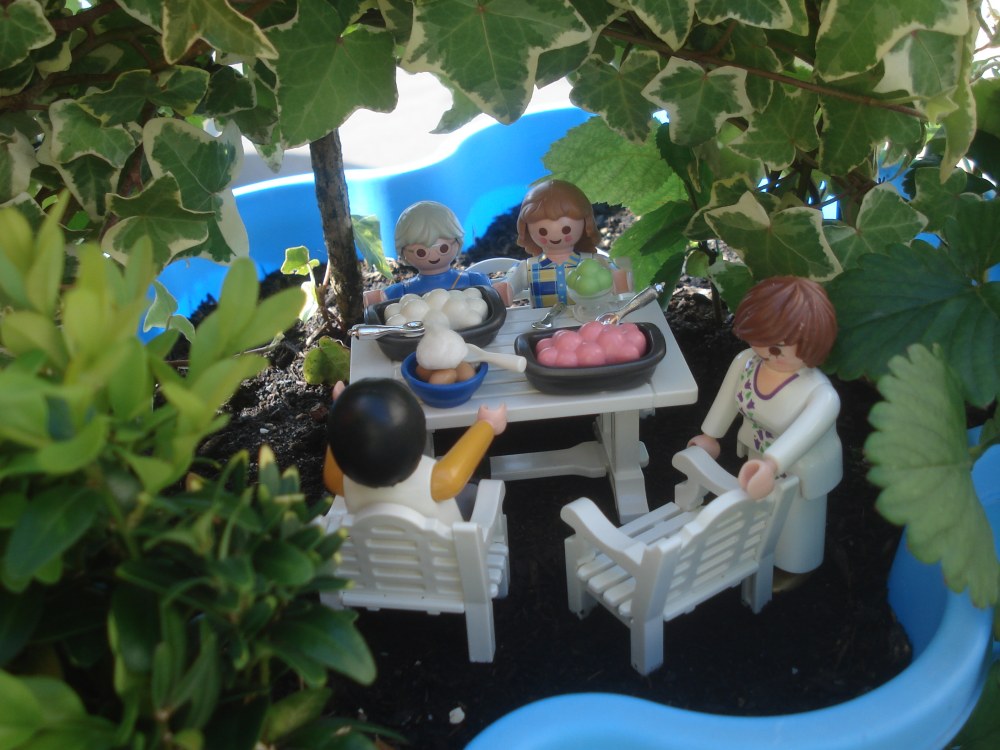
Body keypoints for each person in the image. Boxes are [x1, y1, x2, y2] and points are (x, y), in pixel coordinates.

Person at [688, 276, 841, 579]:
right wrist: (710, 435)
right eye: (762, 340)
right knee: (759, 510)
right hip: (758, 454)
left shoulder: (820, 395)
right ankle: (756, 552)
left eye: (781, 347)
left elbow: (802, 435)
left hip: (802, 467)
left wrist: (772, 465)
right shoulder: (747, 362)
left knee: (797, 521)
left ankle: (795, 568)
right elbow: (727, 400)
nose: (769, 351)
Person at [323, 378, 507, 523]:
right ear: (419, 439)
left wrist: (345, 413)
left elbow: (337, 451)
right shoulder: (435, 482)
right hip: (445, 552)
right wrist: (487, 425)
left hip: (375, 554)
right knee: (472, 486)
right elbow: (452, 475)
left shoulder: (340, 482)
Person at [493, 180, 630, 308]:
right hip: (543, 322)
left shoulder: (591, 261)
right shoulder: (529, 267)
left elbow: (612, 266)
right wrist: (506, 288)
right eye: (542, 231)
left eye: (566, 229)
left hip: (585, 318)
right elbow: (513, 278)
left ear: (586, 224)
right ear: (526, 229)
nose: (555, 236)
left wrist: (618, 278)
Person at [364, 201, 493, 306]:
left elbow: (491, 295)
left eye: (443, 248)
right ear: (403, 252)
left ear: (457, 242)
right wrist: (376, 299)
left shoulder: (470, 280)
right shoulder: (405, 290)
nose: (433, 256)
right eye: (421, 252)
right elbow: (382, 299)